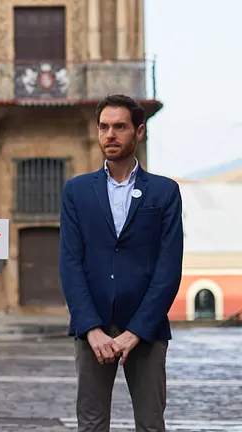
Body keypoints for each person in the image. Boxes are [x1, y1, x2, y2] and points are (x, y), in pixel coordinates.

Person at [59, 94, 183, 432]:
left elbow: (168, 269)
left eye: (119, 127)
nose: (110, 134)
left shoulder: (164, 192)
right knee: (91, 424)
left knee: (151, 424)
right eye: (103, 127)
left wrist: (137, 332)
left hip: (146, 329)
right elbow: (70, 262)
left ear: (139, 132)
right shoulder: (77, 191)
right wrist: (91, 328)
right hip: (92, 329)